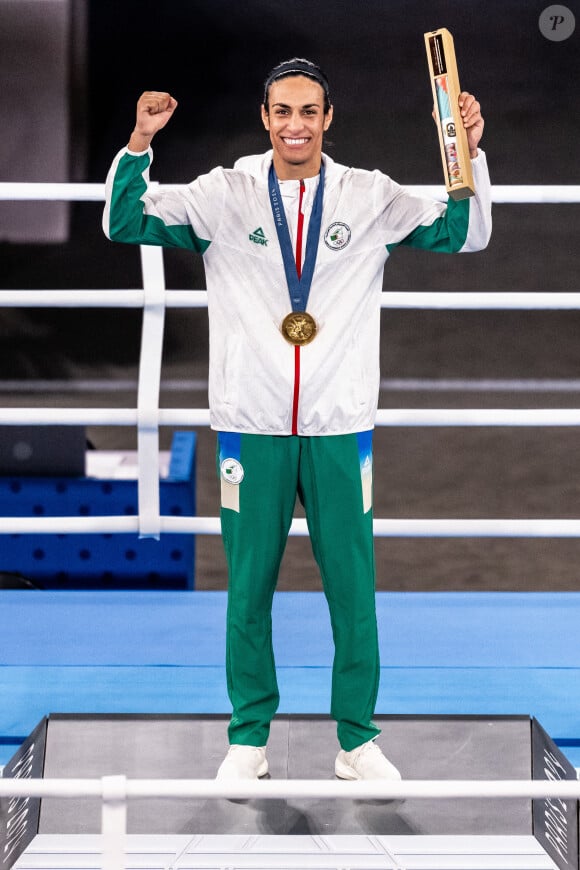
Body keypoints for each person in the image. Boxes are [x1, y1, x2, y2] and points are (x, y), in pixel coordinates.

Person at [103, 57, 491, 782]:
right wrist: (139, 144)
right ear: (264, 118)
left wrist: (467, 151)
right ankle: (248, 739)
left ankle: (358, 740)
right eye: (282, 111)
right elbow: (127, 219)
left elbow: (463, 233)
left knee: (354, 589)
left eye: (309, 111)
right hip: (250, 425)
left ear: (328, 118)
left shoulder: (370, 195)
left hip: (340, 425)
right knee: (248, 589)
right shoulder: (225, 195)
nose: (295, 125)